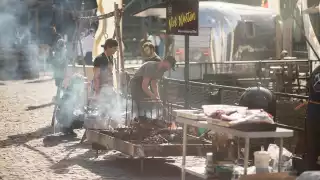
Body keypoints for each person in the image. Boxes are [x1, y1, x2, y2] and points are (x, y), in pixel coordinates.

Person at [305, 65, 320, 170]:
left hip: (312, 112)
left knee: (313, 146)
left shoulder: (315, 71)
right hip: (316, 112)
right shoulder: (317, 73)